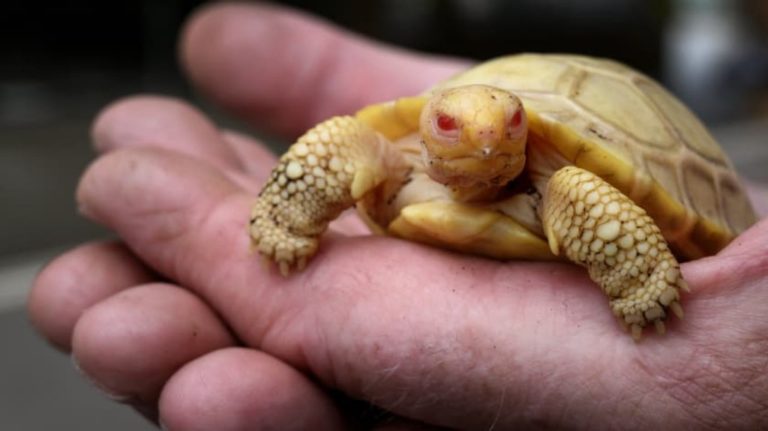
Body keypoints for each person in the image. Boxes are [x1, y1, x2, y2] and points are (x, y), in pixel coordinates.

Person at [27, 3, 768, 430]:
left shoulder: (564, 182)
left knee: (582, 199)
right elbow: (346, 143)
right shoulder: (391, 156)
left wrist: (642, 279)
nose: (487, 139)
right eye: (452, 128)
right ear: (430, 126)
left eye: (508, 127)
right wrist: (290, 213)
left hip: (607, 177)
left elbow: (588, 195)